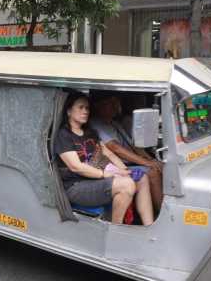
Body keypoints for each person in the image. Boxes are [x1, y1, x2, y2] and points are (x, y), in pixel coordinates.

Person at [54, 92, 154, 226]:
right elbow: (75, 166)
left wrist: (122, 170)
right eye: (81, 107)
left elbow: (109, 154)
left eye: (87, 108)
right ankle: (116, 229)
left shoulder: (90, 132)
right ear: (69, 111)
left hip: (97, 179)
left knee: (142, 178)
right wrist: (106, 174)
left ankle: (148, 225)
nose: (85, 111)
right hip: (76, 186)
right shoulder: (64, 135)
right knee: (126, 184)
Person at [90, 94, 163, 213]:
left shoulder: (115, 123)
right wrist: (148, 163)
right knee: (153, 172)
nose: (115, 106)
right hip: (118, 166)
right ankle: (161, 212)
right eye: (109, 103)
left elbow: (133, 145)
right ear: (99, 106)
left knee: (160, 166)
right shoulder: (96, 123)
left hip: (131, 160)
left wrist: (151, 160)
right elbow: (115, 148)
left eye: (115, 103)